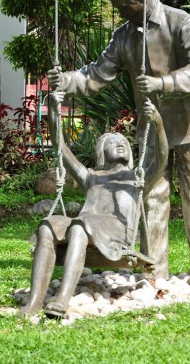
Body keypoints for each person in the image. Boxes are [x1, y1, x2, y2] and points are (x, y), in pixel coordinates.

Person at [48, 0, 190, 290]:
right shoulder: (124, 36)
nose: (120, 14)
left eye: (125, 7)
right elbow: (96, 74)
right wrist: (67, 81)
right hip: (151, 133)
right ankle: (155, 273)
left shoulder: (183, 23)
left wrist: (163, 83)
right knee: (153, 199)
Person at [21, 92, 168, 317]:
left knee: (80, 226)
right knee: (47, 225)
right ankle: (34, 301)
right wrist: (52, 110)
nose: (120, 145)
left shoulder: (137, 179)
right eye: (112, 142)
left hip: (115, 232)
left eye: (123, 143)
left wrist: (157, 121)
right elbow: (61, 148)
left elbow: (163, 157)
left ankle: (62, 299)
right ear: (101, 150)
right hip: (87, 224)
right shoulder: (91, 176)